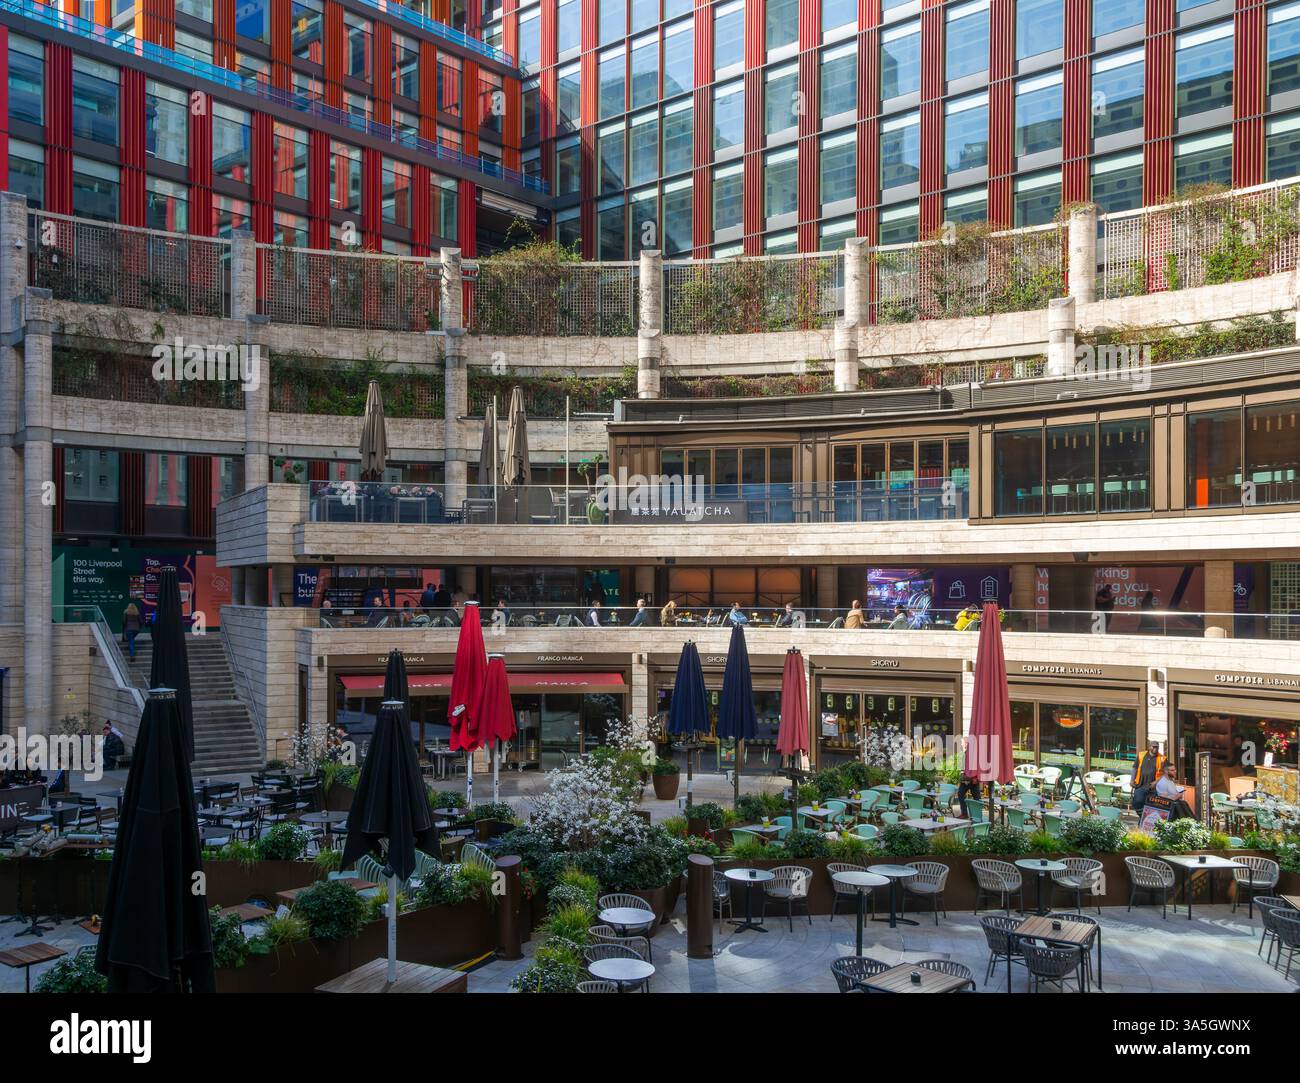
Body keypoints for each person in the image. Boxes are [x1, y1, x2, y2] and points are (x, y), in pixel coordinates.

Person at [1130, 741, 1166, 811]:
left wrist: (1156, 782)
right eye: (1154, 747)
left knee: (1150, 807)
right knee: (1137, 802)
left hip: (1153, 788)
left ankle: (1144, 819)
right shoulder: (1141, 755)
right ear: (1149, 747)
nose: (1155, 748)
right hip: (1140, 785)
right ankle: (1141, 816)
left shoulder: (1162, 758)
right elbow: (1135, 768)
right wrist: (1132, 780)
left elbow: (1165, 774)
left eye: (1157, 747)